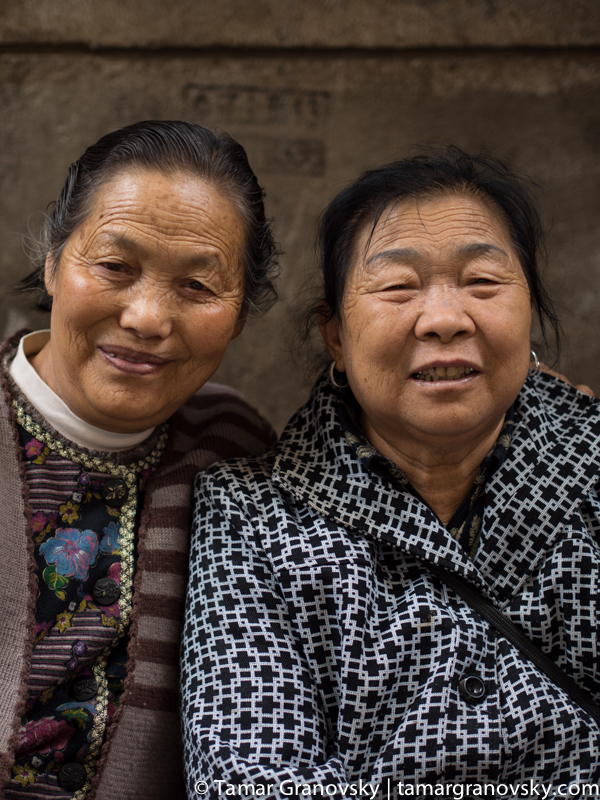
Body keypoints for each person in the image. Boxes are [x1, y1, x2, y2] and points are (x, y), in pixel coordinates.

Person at [181, 147, 600, 796]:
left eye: (483, 282)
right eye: (398, 287)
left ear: (532, 312)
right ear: (337, 339)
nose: (443, 320)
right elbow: (249, 781)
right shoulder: (248, 516)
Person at [0, 120, 279, 799]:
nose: (148, 316)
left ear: (240, 313)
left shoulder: (233, 447)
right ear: (53, 261)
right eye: (115, 267)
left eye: (197, 287)